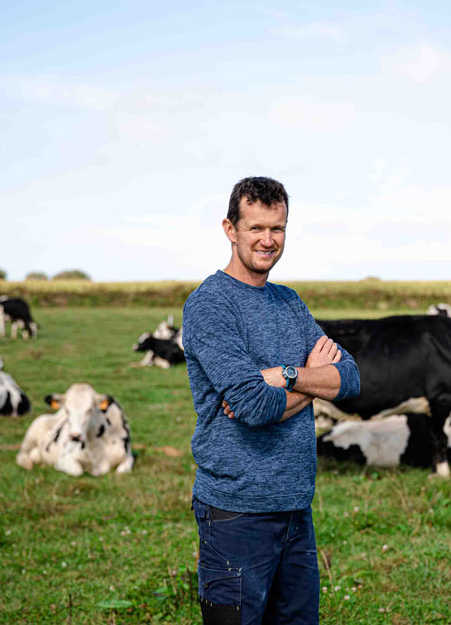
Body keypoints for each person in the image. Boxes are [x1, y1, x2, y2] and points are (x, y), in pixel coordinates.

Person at [182, 176, 360, 624]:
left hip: (296, 507)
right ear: (230, 229)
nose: (268, 240)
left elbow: (351, 378)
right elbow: (254, 407)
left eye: (277, 228)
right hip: (236, 512)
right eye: (256, 228)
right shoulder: (210, 304)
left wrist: (283, 375)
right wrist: (305, 382)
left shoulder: (289, 302)